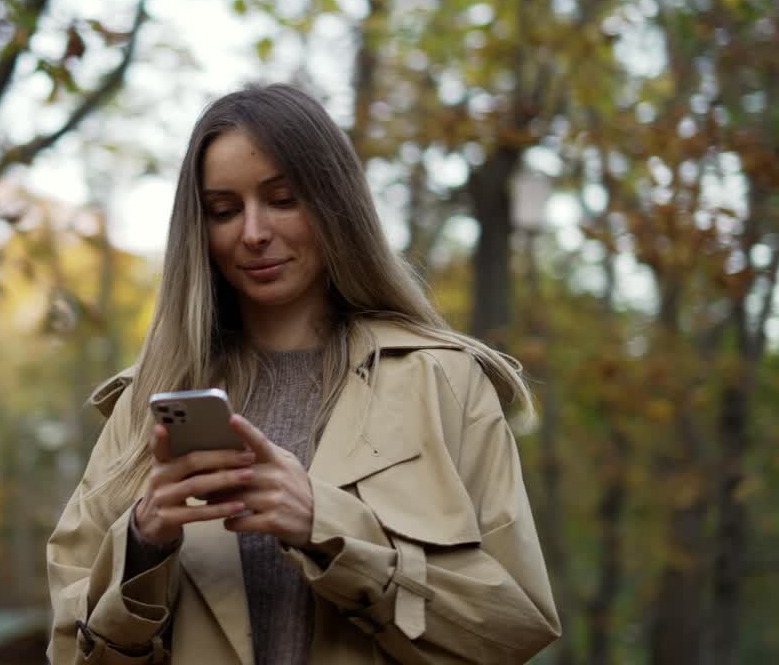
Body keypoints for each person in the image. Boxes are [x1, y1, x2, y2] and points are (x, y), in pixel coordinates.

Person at [46, 83, 560, 664]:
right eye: (224, 210)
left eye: (284, 199)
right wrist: (142, 548)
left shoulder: (443, 381)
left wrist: (328, 529)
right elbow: (70, 651)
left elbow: (515, 629)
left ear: (335, 205)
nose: (254, 232)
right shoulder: (148, 406)